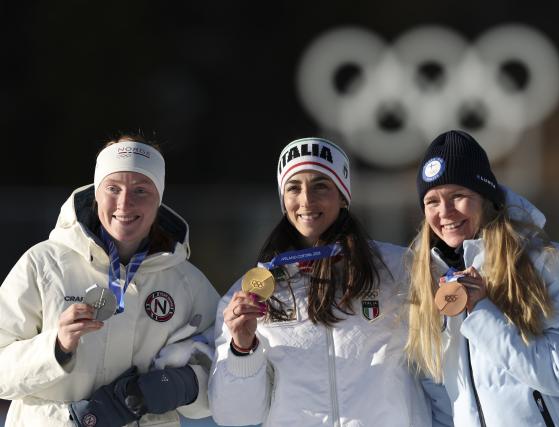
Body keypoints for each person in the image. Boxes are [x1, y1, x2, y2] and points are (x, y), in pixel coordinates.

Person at [209, 137, 452, 426]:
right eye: (293, 187)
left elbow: (444, 375)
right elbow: (235, 416)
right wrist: (241, 348)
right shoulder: (252, 293)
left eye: (321, 185)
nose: (306, 200)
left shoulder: (401, 270)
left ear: (343, 194)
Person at [405, 130, 559, 426]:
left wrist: (482, 311)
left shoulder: (550, 264)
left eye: (458, 196)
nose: (444, 212)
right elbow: (444, 400)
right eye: (432, 201)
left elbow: (558, 374)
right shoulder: (430, 283)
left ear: (485, 198)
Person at [0, 134, 220, 426]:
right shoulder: (44, 265)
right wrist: (56, 347)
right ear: (96, 193)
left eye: (141, 190)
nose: (124, 203)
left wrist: (181, 384)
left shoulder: (187, 283)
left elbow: (224, 375)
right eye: (113, 188)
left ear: (159, 198)